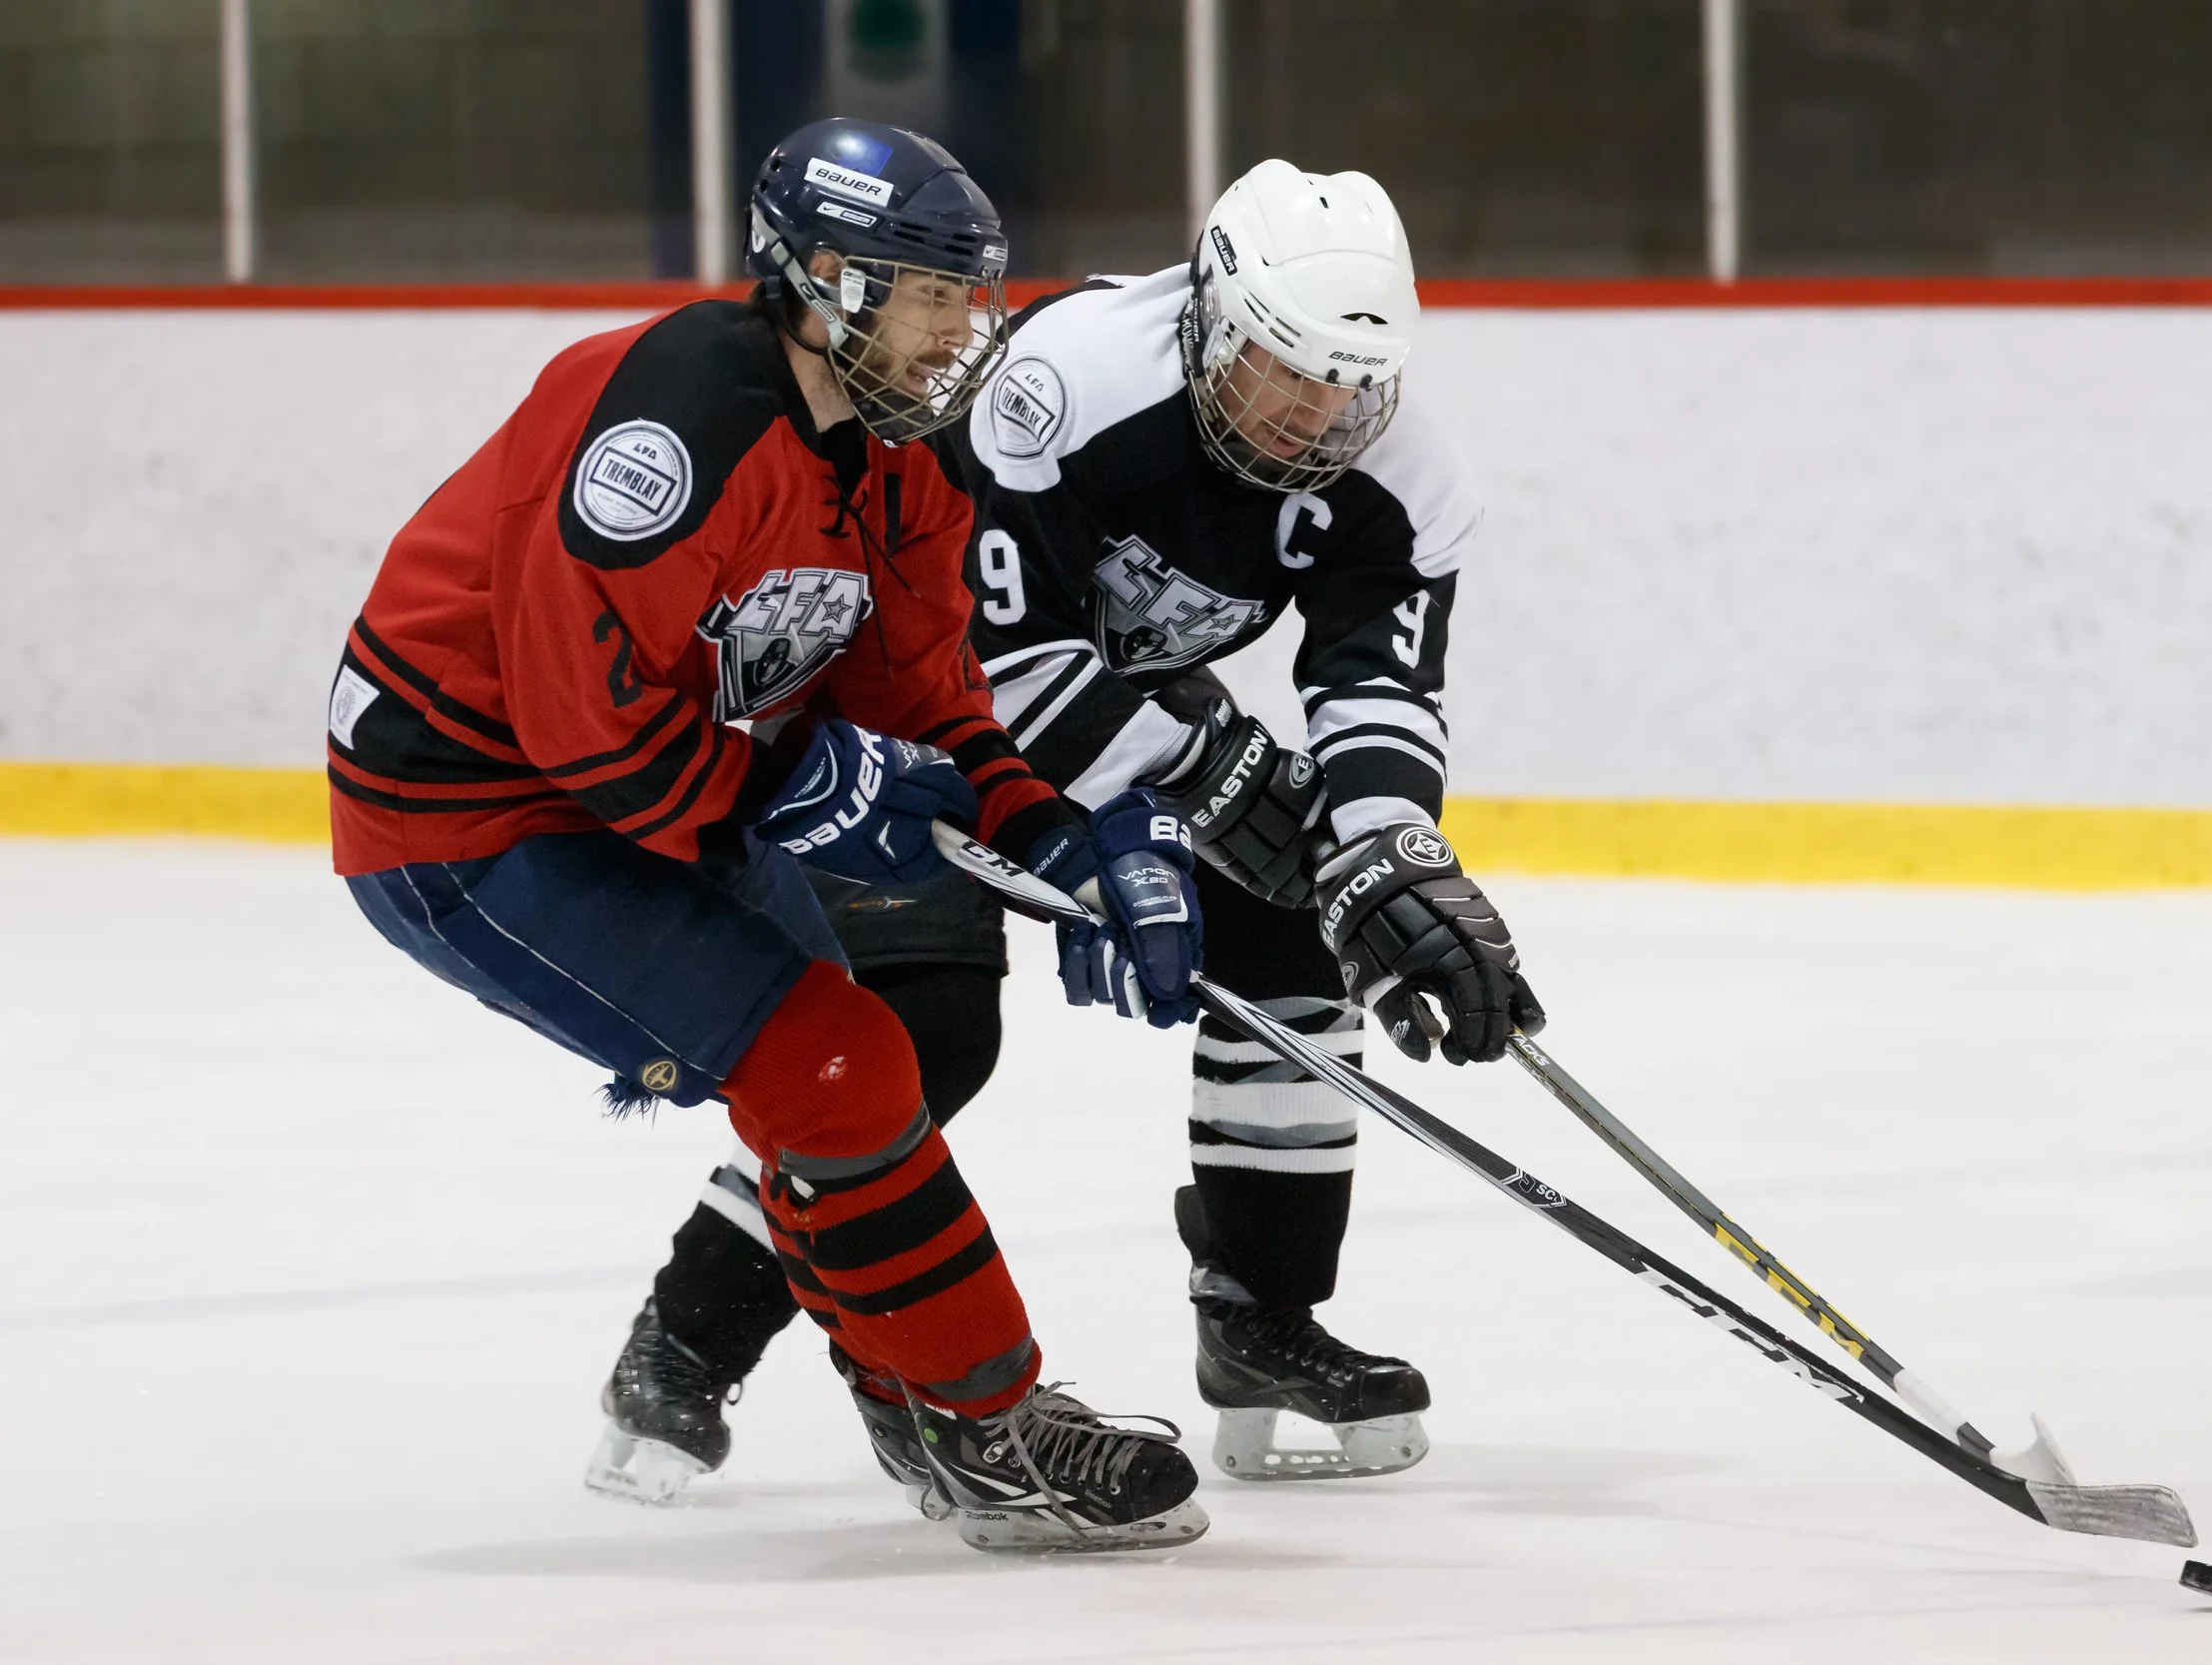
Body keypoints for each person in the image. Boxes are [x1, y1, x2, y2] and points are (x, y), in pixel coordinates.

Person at [328, 117, 1208, 1555]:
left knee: (848, 1076)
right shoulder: (673, 425)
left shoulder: (902, 457)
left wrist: (1054, 832)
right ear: (819, 280)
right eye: (927, 292)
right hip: (464, 810)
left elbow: (922, 690)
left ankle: (935, 1410)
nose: (958, 330)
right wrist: (793, 790)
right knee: (839, 1065)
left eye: (966, 293)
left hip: (658, 775)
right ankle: (983, 1415)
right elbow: (580, 725)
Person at [601, 157, 1543, 1491]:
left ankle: (1261, 1316)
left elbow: (1374, 676)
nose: (1319, 412)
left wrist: (1389, 847)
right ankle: (684, 1346)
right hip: (907, 701)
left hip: (1119, 707)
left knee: (1297, 927)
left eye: (1351, 380)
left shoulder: (1406, 476)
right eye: (1286, 366)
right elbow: (979, 644)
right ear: (1209, 315)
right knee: (923, 1031)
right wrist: (1196, 769)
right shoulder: (1067, 383)